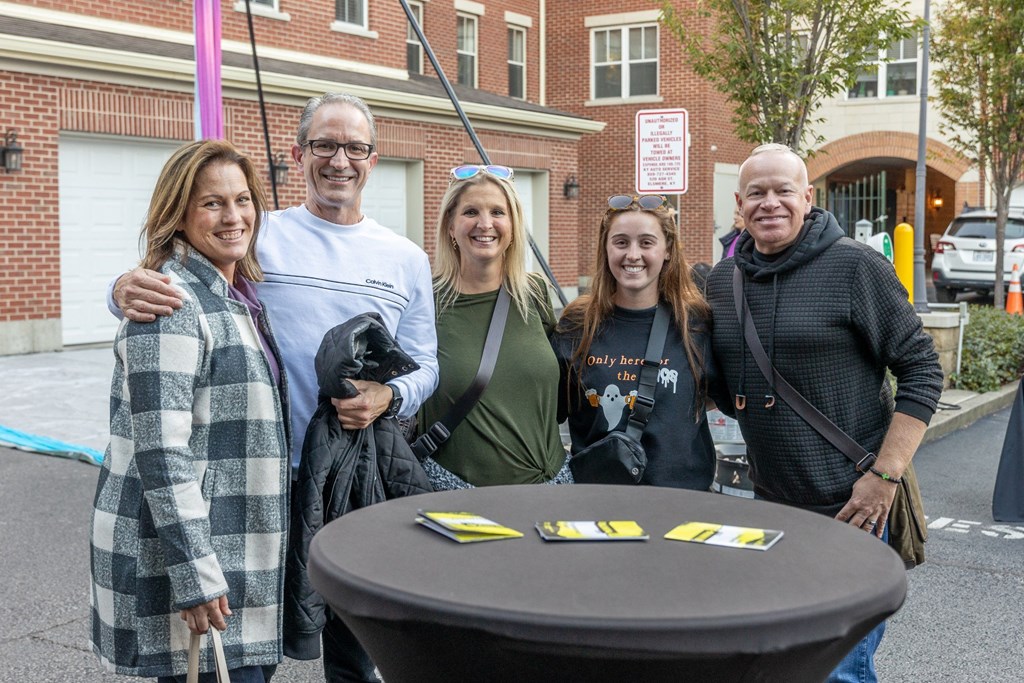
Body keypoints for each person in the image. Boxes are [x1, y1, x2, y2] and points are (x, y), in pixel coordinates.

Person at [108, 92, 438, 682]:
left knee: (355, 654)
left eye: (355, 147)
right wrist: (121, 289)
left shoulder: (406, 258)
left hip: (345, 478)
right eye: (325, 145)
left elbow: (426, 366)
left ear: (373, 159)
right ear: (298, 153)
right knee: (241, 648)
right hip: (255, 482)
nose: (340, 160)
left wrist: (389, 396)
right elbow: (180, 279)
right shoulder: (260, 236)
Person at [704, 143, 944, 683]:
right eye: (757, 193)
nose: (771, 203)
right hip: (770, 505)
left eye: (783, 190)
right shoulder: (724, 282)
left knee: (839, 670)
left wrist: (884, 477)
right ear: (739, 205)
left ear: (807, 198)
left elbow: (923, 371)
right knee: (779, 660)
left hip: (853, 506)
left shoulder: (857, 267)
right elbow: (719, 384)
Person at [90, 140, 290, 682]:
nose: (234, 216)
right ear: (178, 213)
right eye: (212, 203)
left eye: (244, 199)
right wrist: (197, 576)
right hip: (199, 566)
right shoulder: (171, 304)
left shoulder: (233, 295)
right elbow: (161, 452)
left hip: (239, 551)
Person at [551, 194, 723, 489]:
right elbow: (549, 413)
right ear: (606, 248)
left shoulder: (695, 324)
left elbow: (716, 397)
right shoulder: (576, 325)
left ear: (667, 250)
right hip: (598, 501)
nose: (632, 255)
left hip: (684, 503)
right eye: (621, 242)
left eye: (646, 243)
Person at [418, 164, 571, 489]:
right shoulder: (424, 301)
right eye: (470, 211)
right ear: (450, 225)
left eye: (498, 212)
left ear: (514, 226)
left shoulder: (536, 294)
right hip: (458, 495)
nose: (485, 224)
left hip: (550, 489)